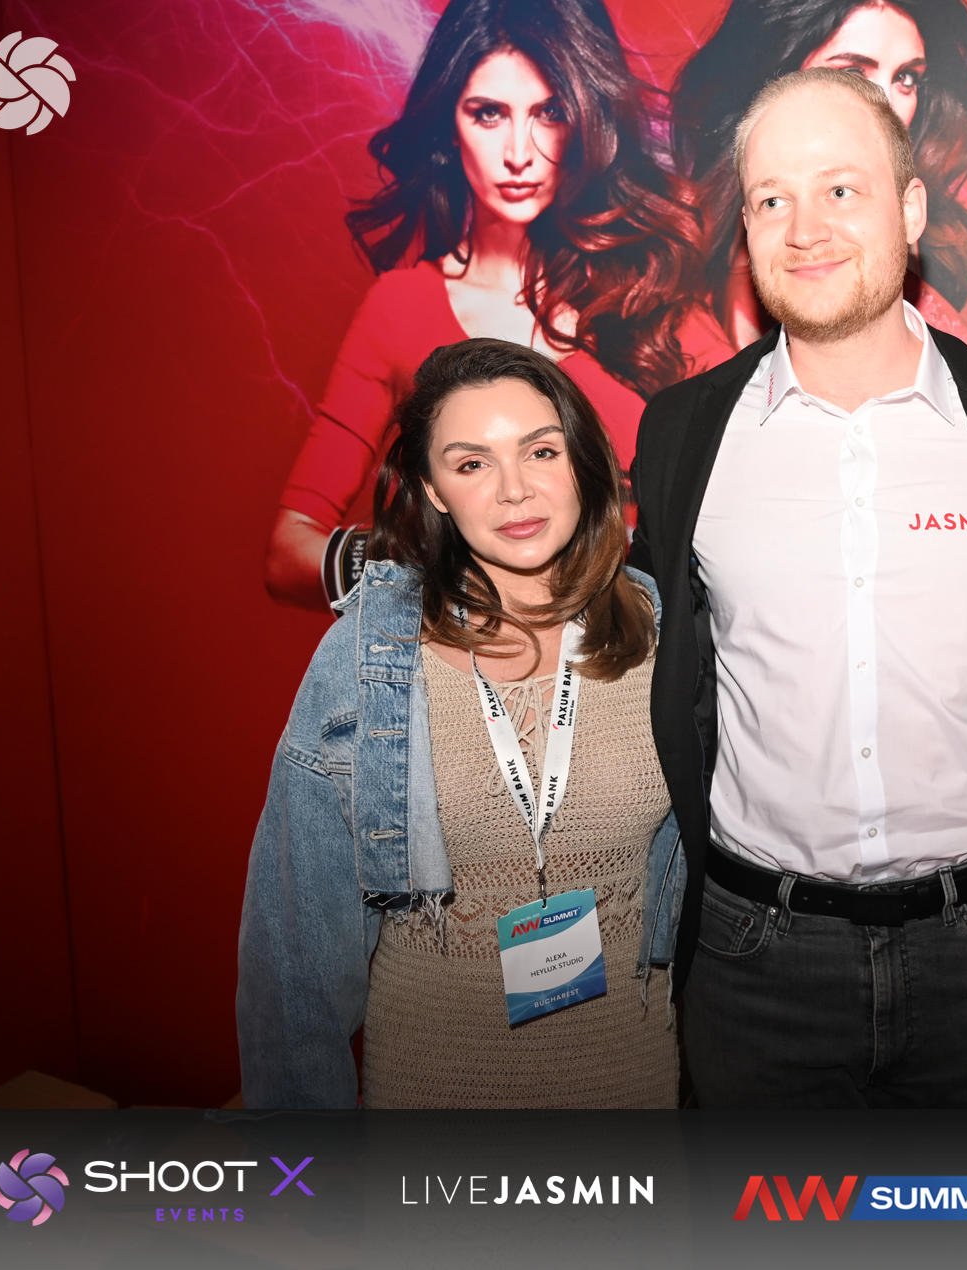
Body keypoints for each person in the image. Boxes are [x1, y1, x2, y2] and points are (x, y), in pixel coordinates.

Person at [629, 69, 967, 1107]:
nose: (805, 229)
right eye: (772, 199)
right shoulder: (682, 435)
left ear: (910, 209)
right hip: (755, 958)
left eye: (840, 189)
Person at [239, 338, 685, 1108]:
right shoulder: (370, 656)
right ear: (433, 490)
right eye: (472, 463)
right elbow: (295, 968)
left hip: (634, 1091)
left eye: (540, 451)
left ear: (583, 462)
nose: (514, 490)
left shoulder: (661, 629)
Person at [266, 0, 728, 610]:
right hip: (475, 659)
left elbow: (758, 497)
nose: (518, 152)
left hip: (635, 653)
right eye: (488, 113)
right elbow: (289, 552)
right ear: (448, 125)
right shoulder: (400, 310)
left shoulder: (649, 292)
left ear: (587, 119)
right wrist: (445, 567)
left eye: (549, 113)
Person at [671, 0, 967, 348]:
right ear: (773, 79)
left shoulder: (891, 223)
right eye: (852, 73)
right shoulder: (754, 248)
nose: (888, 109)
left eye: (905, 78)